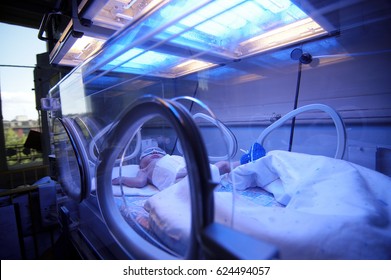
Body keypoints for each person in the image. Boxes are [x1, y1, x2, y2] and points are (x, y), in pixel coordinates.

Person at [111, 146, 236, 190]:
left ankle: (248, 163)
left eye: (159, 151)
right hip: (178, 182)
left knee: (223, 165)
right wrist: (122, 179)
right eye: (148, 152)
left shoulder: (171, 157)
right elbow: (139, 182)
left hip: (190, 170)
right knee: (222, 166)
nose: (154, 151)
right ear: (141, 164)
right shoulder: (144, 170)